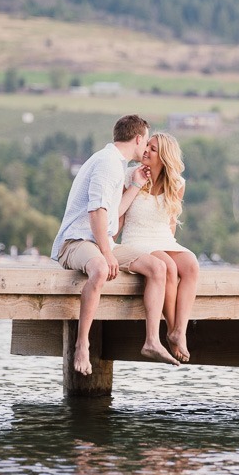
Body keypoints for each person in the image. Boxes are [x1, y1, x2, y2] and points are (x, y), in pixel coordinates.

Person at [51, 115, 180, 375]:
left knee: (157, 268)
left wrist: (134, 186)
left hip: (100, 240)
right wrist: (108, 253)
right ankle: (82, 345)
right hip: (76, 241)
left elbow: (110, 214)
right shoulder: (106, 163)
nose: (147, 150)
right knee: (100, 268)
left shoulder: (116, 164)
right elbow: (96, 212)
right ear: (139, 138)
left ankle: (152, 340)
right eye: (147, 143)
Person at [119, 132, 199, 363]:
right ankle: (172, 330)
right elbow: (120, 216)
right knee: (168, 267)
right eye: (147, 146)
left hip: (162, 238)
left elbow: (171, 223)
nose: (146, 150)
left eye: (152, 149)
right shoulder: (130, 175)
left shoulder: (177, 184)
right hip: (136, 239)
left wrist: (171, 248)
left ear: (163, 157)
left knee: (191, 264)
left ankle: (178, 331)